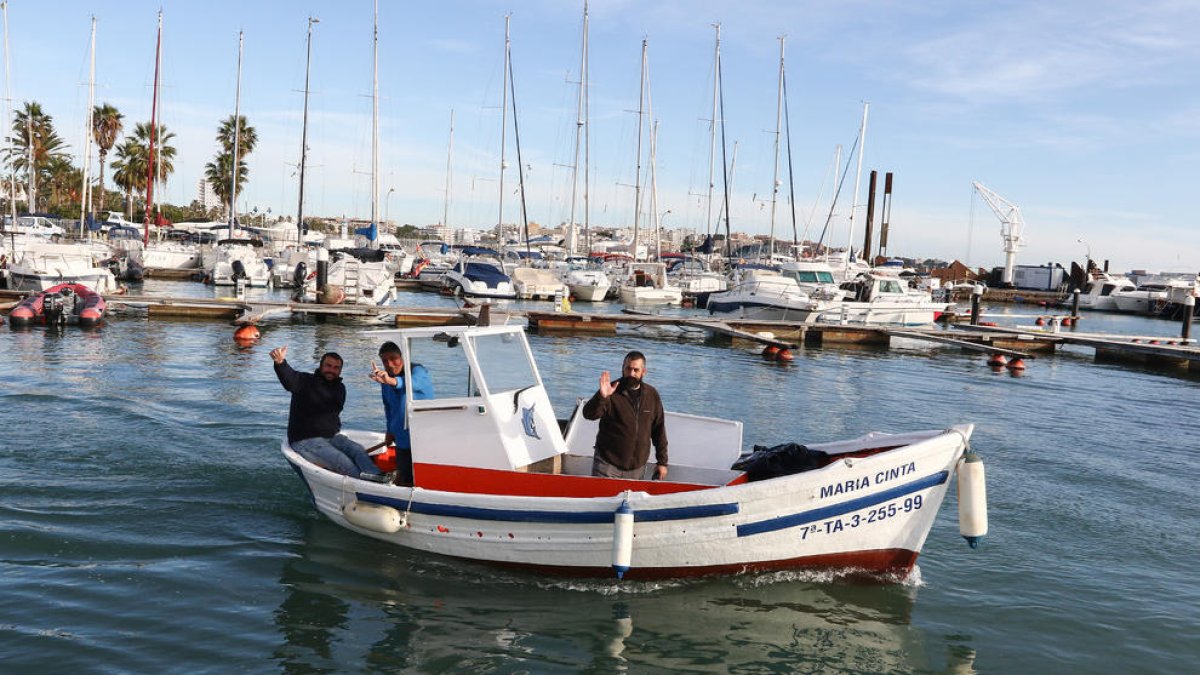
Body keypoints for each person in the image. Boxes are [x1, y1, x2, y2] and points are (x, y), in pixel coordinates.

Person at [271, 345, 386, 480]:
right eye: (328, 366)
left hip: (331, 437)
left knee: (358, 450)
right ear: (321, 366)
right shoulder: (304, 381)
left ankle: (377, 476)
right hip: (305, 440)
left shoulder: (340, 388)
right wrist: (280, 363)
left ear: (340, 371)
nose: (331, 370)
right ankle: (367, 485)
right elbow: (289, 379)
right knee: (344, 462)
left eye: (336, 368)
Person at [582, 350, 668, 480]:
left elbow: (659, 430)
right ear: (622, 368)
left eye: (636, 370)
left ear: (643, 372)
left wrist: (662, 462)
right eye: (628, 369)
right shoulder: (610, 390)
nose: (631, 373)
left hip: (637, 468)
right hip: (607, 465)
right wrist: (602, 397)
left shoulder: (652, 395)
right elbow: (589, 414)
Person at [369, 341, 434, 485]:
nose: (390, 364)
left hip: (422, 435)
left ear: (403, 357)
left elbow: (413, 383)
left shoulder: (418, 371)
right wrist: (389, 430)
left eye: (394, 359)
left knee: (421, 472)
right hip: (402, 437)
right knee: (403, 472)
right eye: (385, 361)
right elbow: (389, 408)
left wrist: (391, 381)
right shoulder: (385, 380)